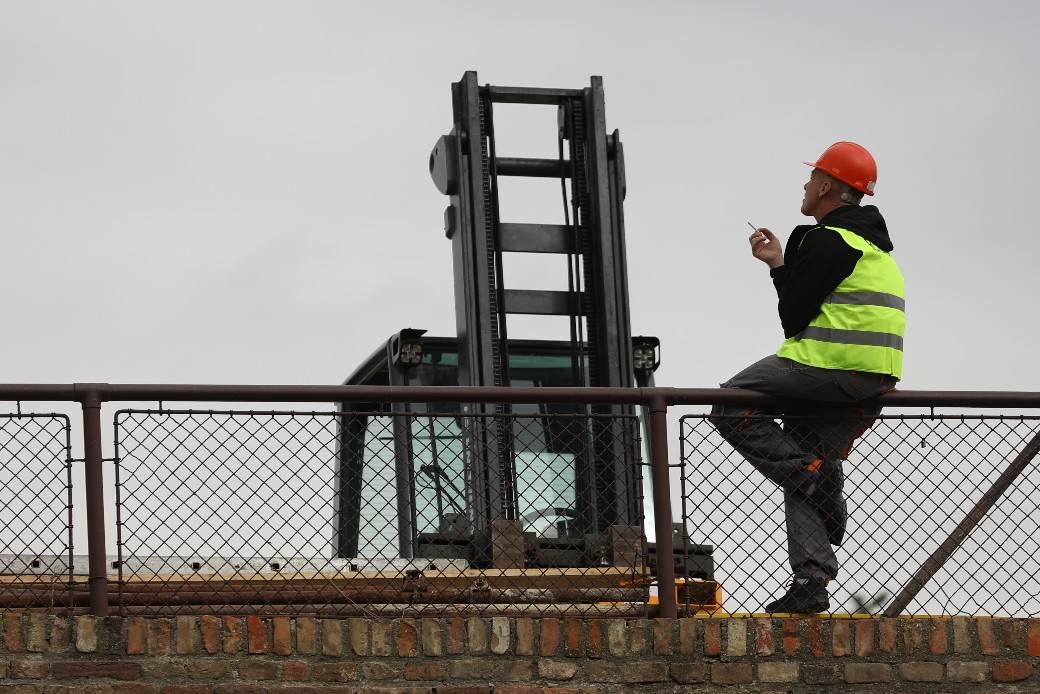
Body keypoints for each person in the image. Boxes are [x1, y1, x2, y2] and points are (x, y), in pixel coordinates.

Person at [710, 141, 905, 613]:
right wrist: (782, 264)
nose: (804, 185)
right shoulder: (873, 247)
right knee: (807, 460)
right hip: (875, 378)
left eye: (811, 177)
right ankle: (811, 582)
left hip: (827, 366)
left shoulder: (827, 239)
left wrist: (778, 267)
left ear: (825, 186)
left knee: (730, 405)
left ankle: (815, 478)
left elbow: (795, 318)